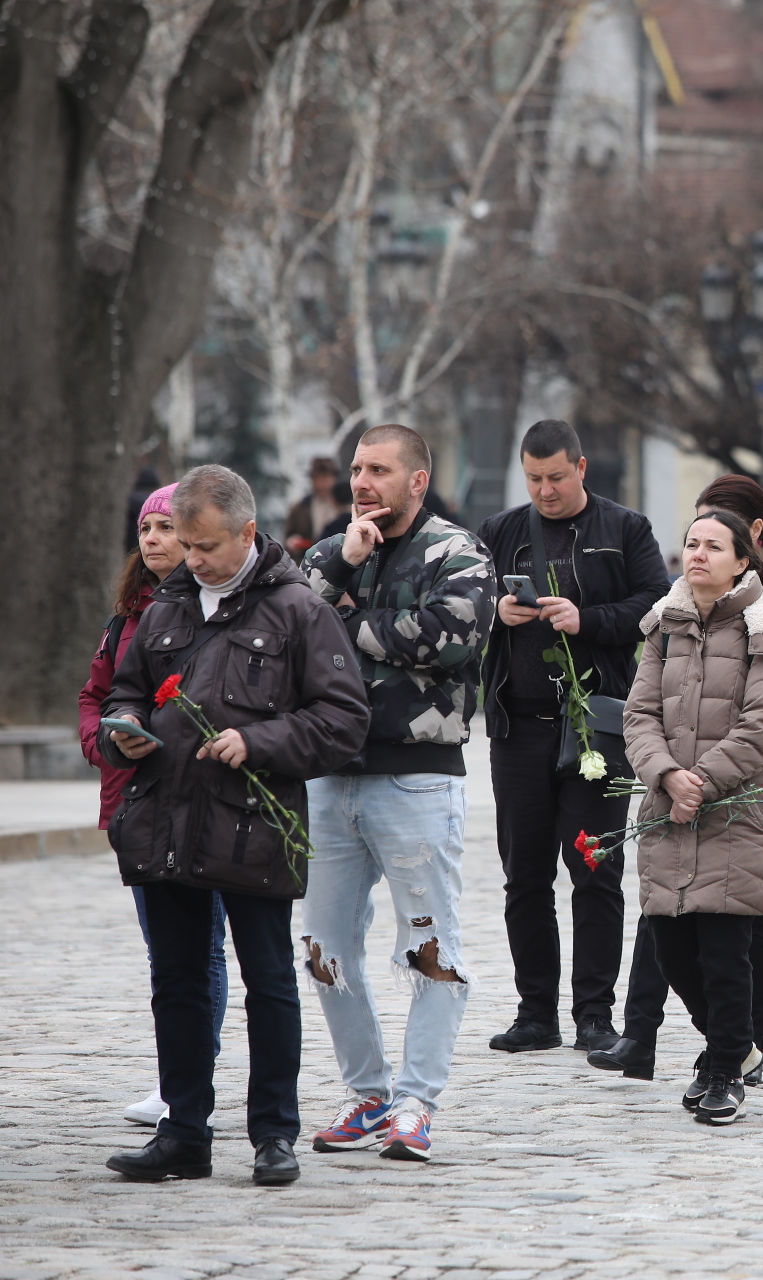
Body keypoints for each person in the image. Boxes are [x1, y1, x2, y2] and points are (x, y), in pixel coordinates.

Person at [98, 465, 369, 1187]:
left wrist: (260, 742)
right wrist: (124, 725)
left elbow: (344, 720)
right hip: (166, 822)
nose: (192, 560)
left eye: (206, 546)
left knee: (269, 980)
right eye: (184, 545)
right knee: (178, 982)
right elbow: (123, 691)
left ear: (248, 533)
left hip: (253, 827)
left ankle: (272, 1134)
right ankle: (183, 1131)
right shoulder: (165, 608)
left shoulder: (298, 609)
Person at [299, 424, 497, 1163]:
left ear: (417, 479)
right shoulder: (332, 550)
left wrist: (347, 621)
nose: (361, 482)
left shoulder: (458, 551)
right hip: (329, 777)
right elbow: (292, 625)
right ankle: (367, 1096)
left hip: (416, 776)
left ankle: (416, 1104)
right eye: (356, 468)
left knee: (430, 950)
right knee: (324, 951)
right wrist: (344, 568)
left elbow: (449, 638)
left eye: (378, 469)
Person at [589, 474, 763, 1084]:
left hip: (736, 807)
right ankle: (737, 1050)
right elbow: (638, 712)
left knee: (725, 950)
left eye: (714, 546)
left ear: (742, 561)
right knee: (672, 947)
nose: (698, 555)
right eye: (691, 543)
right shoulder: (665, 624)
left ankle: (722, 1074)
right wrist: (664, 775)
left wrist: (700, 782)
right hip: (668, 805)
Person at [478, 419, 670, 1057]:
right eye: (534, 479)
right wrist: (496, 617)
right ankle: (536, 1012)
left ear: (581, 468)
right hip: (519, 726)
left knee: (595, 870)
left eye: (556, 477)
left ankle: (594, 1013)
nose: (545, 491)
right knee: (523, 875)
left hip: (598, 725)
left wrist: (587, 620)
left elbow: (654, 606)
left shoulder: (625, 529)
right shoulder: (503, 531)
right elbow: (466, 607)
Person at [80, 483, 233, 1128]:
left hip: (206, 798)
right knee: (165, 949)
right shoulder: (126, 618)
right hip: (136, 802)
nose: (154, 540)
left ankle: (193, 1084)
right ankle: (180, 1078)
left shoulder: (215, 610)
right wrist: (107, 744)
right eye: (146, 529)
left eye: (167, 528)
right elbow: (97, 694)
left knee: (206, 948)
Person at [283, 456, 342, 559]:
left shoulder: (346, 505)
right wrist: (292, 543)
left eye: (325, 478)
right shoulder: (300, 508)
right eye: (316, 478)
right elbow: (287, 538)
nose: (320, 484)